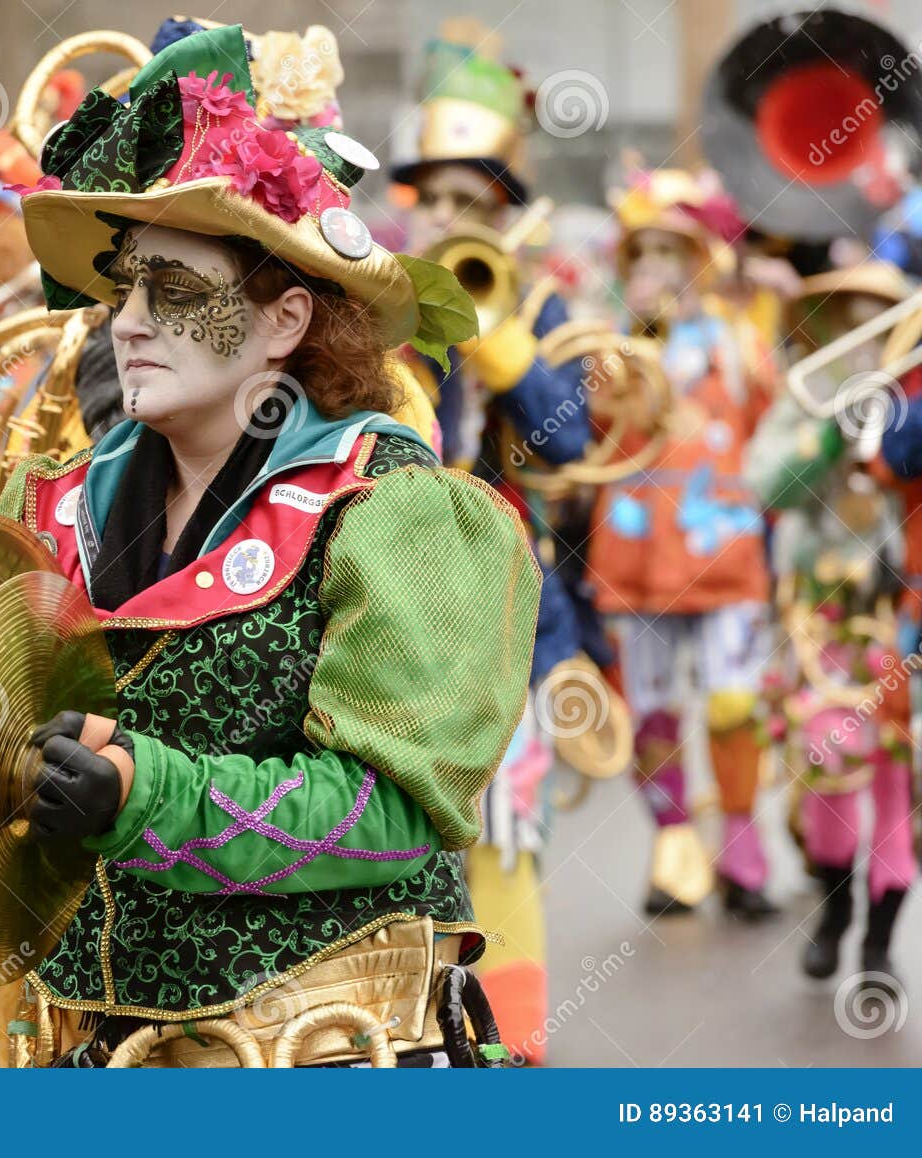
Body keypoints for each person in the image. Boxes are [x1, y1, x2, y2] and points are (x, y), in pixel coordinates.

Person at [0, 24, 539, 1067]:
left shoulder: (399, 512)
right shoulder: (44, 498)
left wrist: (141, 796)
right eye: (124, 286)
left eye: (177, 291)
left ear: (286, 318)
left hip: (327, 1059)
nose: (128, 324)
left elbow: (384, 813)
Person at [390, 25, 594, 1063]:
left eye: (473, 203)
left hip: (507, 601)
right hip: (396, 597)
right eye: (436, 198)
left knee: (506, 833)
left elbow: (577, 437)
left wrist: (505, 345)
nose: (451, 218)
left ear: (503, 215)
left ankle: (512, 1049)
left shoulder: (533, 297)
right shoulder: (372, 294)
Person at [591, 167, 779, 920]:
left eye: (673, 250)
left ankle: (742, 845)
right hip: (636, 564)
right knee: (654, 714)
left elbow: (776, 434)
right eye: (645, 253)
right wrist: (626, 353)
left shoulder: (741, 341)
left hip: (726, 555)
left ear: (703, 258)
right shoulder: (605, 347)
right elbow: (590, 434)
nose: (657, 267)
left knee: (735, 706)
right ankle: (674, 845)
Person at [744, 262, 915, 991]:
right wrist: (825, 437)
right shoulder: (802, 398)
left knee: (896, 781)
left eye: (876, 320)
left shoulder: (909, 401)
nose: (862, 337)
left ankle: (879, 946)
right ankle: (835, 917)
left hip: (892, 614)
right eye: (848, 319)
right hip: (815, 616)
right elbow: (765, 485)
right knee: (830, 774)